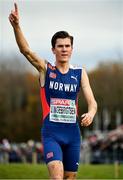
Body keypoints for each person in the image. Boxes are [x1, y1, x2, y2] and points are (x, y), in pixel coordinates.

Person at [9, 3, 97, 180]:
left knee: (69, 178)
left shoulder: (80, 73)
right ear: (53, 49)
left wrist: (91, 113)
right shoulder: (46, 70)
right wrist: (17, 26)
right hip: (52, 134)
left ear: (72, 49)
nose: (64, 49)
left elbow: (92, 102)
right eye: (60, 46)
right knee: (57, 177)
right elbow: (25, 51)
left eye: (67, 46)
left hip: (73, 134)